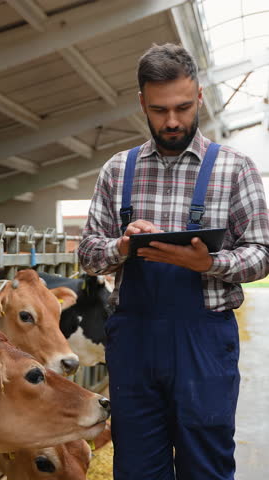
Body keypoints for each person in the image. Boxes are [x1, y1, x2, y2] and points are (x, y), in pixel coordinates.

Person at [78, 43, 269, 480]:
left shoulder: (235, 169)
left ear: (200, 96)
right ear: (141, 102)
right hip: (135, 343)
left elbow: (262, 253)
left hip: (203, 342)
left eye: (183, 107)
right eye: (159, 109)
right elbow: (88, 252)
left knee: (207, 463)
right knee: (137, 466)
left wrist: (209, 264)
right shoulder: (116, 171)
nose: (172, 121)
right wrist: (122, 248)